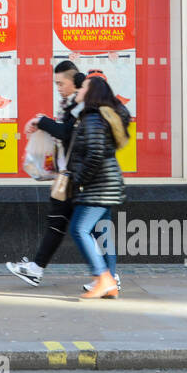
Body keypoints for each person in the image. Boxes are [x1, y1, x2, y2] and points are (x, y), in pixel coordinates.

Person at [5, 61, 101, 288]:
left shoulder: (82, 105)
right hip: (67, 176)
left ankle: (107, 276)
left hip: (80, 178)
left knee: (85, 229)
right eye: (55, 83)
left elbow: (67, 132)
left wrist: (41, 121)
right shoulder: (71, 103)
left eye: (61, 83)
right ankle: (36, 269)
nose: (58, 87)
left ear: (75, 82)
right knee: (58, 222)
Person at [66, 70, 132, 300]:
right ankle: (110, 282)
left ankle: (102, 277)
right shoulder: (102, 116)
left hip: (98, 185)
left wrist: (79, 179)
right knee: (102, 233)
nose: (79, 90)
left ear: (91, 92)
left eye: (83, 87)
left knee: (79, 228)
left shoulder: (93, 118)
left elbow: (94, 153)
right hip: (108, 182)